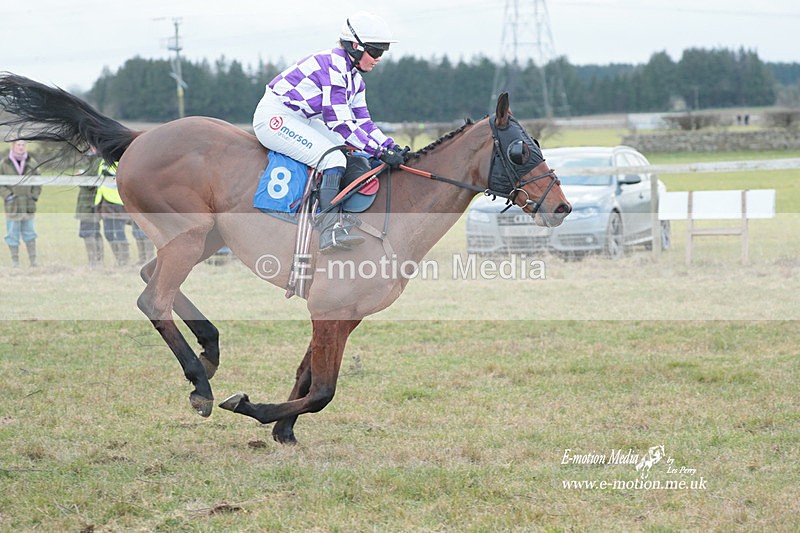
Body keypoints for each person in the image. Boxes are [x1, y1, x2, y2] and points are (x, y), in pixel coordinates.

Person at [253, 11, 408, 254]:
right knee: (334, 158)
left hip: (301, 119)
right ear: (355, 46)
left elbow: (364, 123)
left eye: (383, 52)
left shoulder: (355, 80)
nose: (379, 58)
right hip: (275, 117)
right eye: (376, 51)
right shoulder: (334, 66)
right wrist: (378, 150)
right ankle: (328, 231)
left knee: (349, 151)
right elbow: (341, 124)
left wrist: (390, 146)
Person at [0, 140, 41, 267]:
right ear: (13, 146)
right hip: (12, 206)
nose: (21, 147)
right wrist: (8, 196)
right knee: (12, 234)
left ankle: (33, 262)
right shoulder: (4, 163)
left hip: (28, 206)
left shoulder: (32, 162)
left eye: (23, 145)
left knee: (30, 233)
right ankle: (15, 262)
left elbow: (38, 181)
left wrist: (33, 196)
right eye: (18, 144)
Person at [93, 159, 129, 266]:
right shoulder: (103, 162)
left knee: (119, 233)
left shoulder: (122, 160)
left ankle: (124, 260)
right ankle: (118, 258)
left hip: (119, 203)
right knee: (108, 234)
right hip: (105, 202)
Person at [75, 148, 104, 268]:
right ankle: (98, 262)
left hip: (89, 203)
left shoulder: (97, 160)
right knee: (94, 232)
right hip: (90, 202)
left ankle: (94, 262)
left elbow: (91, 181)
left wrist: (80, 177)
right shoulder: (94, 160)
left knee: (88, 233)